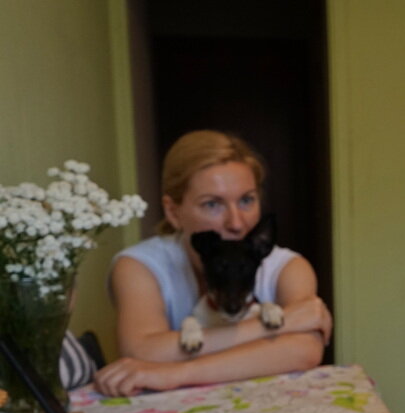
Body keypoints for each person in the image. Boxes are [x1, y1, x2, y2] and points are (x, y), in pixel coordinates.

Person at [94, 130, 331, 397]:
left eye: (246, 200)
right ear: (173, 212)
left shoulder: (287, 267)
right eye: (212, 204)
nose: (236, 223)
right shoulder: (140, 267)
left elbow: (305, 350)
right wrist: (279, 325)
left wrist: (174, 372)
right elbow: (141, 352)